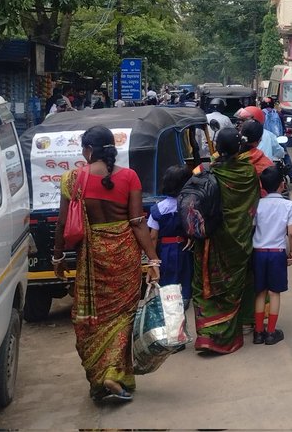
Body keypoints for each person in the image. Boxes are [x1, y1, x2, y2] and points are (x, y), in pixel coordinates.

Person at [52, 125, 160, 402]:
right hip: (124, 255)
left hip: (92, 257)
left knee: (91, 320)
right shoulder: (129, 177)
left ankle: (102, 377)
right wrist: (153, 259)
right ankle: (114, 374)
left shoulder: (72, 179)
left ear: (88, 150)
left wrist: (58, 256)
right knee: (123, 317)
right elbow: (137, 223)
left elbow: (63, 223)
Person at [192, 127, 260, 354]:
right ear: (240, 147)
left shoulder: (204, 170)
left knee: (206, 284)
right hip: (238, 240)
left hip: (210, 239)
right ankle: (231, 332)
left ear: (217, 148)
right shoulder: (248, 172)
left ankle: (208, 336)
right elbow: (252, 204)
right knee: (234, 283)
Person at [252, 166, 292, 345]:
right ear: (282, 184)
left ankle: (258, 332)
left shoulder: (257, 204)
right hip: (277, 253)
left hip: (259, 253)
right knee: (274, 292)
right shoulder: (288, 205)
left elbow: (252, 227)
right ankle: (271, 332)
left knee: (260, 292)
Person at [148, 164, 195, 306]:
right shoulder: (190, 206)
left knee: (168, 282)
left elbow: (153, 237)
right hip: (185, 250)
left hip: (165, 252)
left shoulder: (158, 209)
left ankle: (170, 306)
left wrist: (153, 261)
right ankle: (184, 303)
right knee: (186, 279)